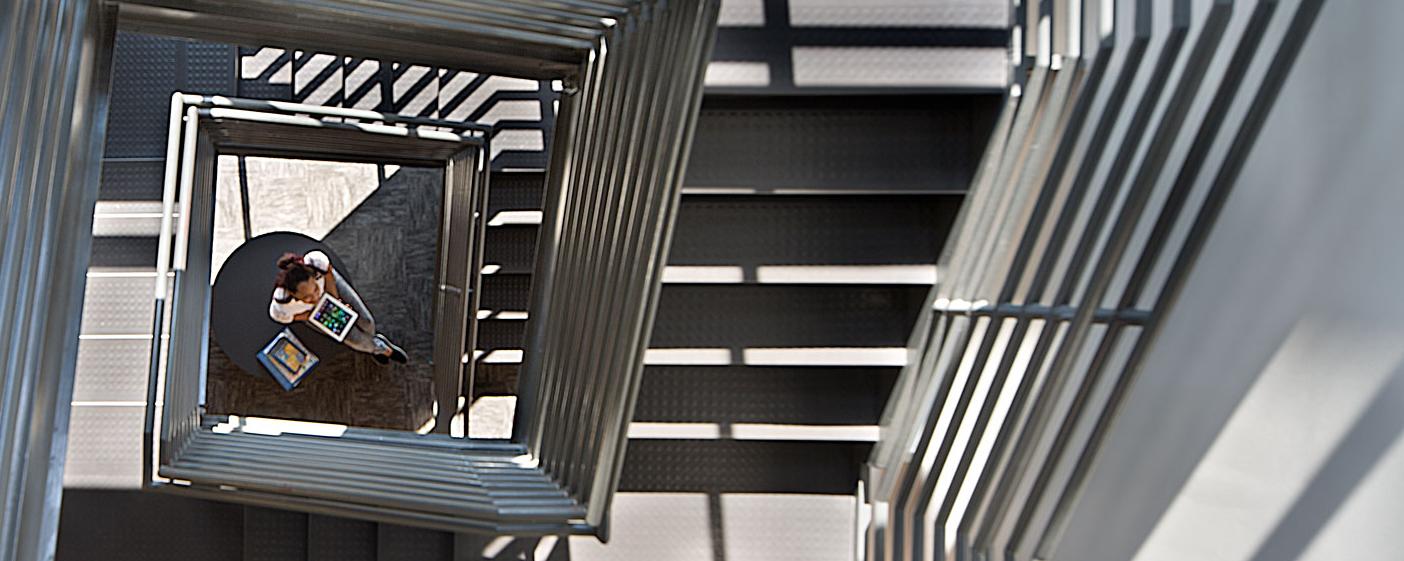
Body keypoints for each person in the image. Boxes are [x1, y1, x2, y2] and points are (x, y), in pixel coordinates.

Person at [268, 250, 407, 364]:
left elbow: (328, 274)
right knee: (354, 339)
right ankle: (380, 348)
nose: (315, 298)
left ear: (314, 275)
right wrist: (308, 315)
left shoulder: (316, 263)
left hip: (331, 289)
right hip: (312, 313)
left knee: (366, 322)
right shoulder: (282, 303)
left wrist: (334, 301)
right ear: (293, 294)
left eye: (315, 289)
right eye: (306, 297)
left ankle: (374, 344)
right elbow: (283, 317)